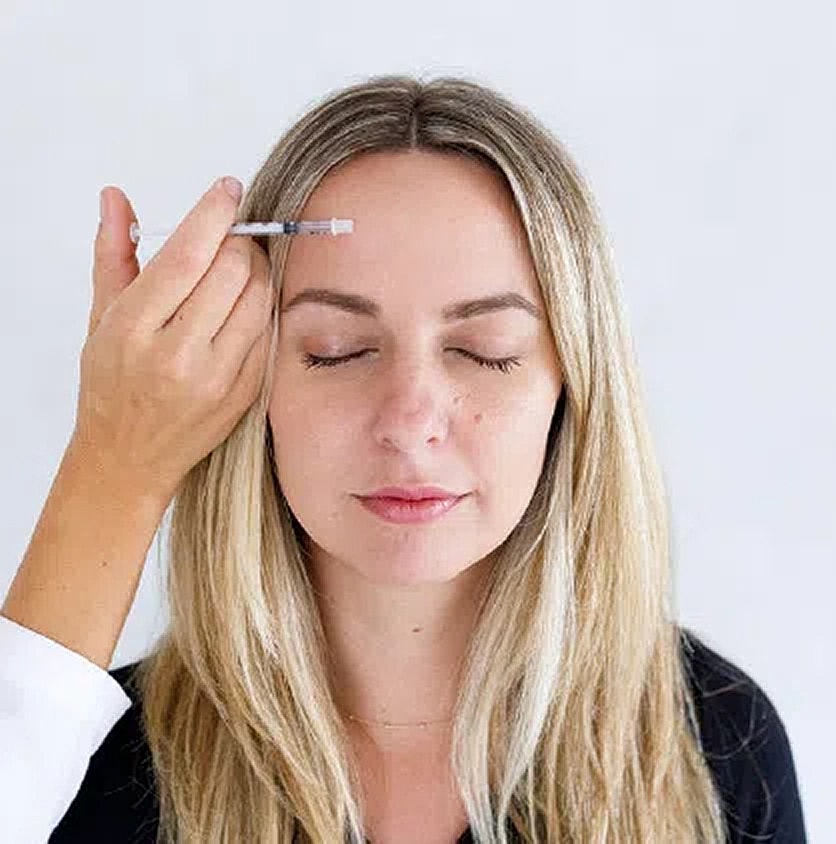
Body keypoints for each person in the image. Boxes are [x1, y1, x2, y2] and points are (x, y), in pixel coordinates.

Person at [0, 74, 807, 843]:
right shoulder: (92, 762)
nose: (410, 421)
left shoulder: (713, 743)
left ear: (573, 387)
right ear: (247, 383)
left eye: (485, 351)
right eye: (337, 350)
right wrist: (112, 465)